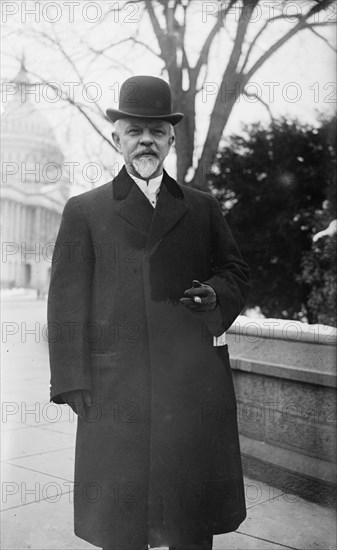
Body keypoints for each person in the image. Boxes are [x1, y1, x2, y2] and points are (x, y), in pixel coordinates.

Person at [48, 75, 249, 550]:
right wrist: (72, 379)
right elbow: (66, 302)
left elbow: (236, 271)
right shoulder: (86, 210)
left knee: (188, 523)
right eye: (135, 130)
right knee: (122, 525)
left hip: (189, 387)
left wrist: (217, 294)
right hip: (116, 390)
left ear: (171, 140)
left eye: (157, 132)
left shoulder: (202, 208)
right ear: (117, 138)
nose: (146, 140)